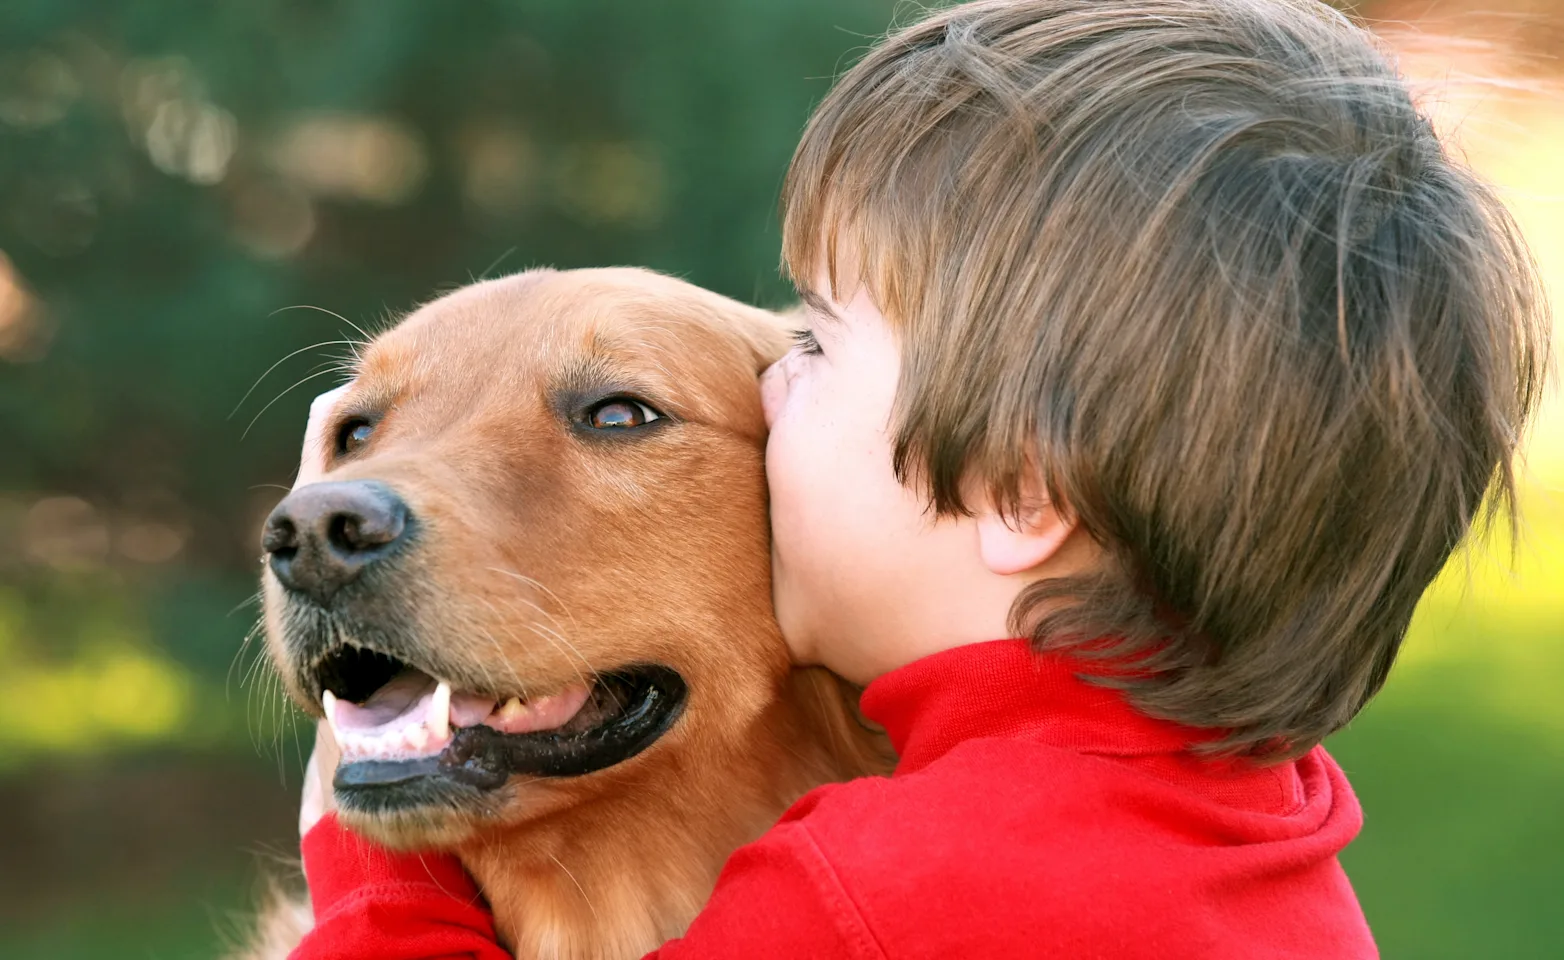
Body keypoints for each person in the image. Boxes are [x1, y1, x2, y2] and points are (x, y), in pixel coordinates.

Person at [286, 1, 1551, 956]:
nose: (779, 385)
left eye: (822, 343)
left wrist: (367, 864)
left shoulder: (886, 893)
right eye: (361, 431)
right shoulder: (1260, 817)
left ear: (1018, 492)